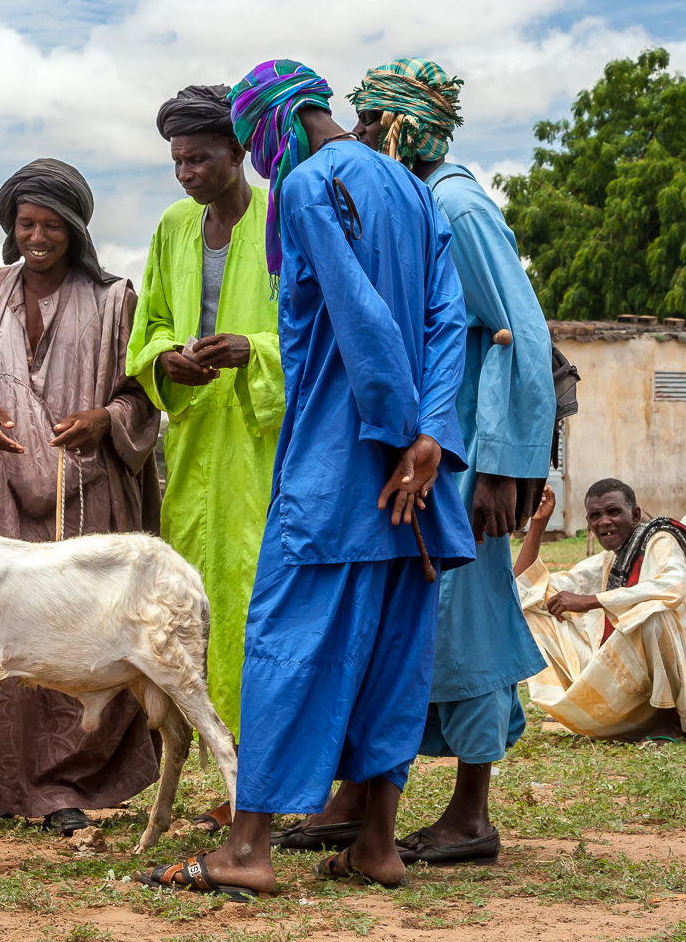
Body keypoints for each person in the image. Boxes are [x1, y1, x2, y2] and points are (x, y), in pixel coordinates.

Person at [142, 59, 471, 898]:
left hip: (340, 470)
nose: (256, 162)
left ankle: (247, 851)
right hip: (416, 485)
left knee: (284, 649)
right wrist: (432, 438)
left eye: (253, 141)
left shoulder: (311, 186)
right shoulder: (407, 186)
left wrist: (397, 435)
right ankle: (377, 845)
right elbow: (444, 317)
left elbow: (360, 319)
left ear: (275, 124)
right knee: (390, 658)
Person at [275, 58, 550, 866]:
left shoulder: (456, 205)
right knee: (398, 628)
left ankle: (472, 810)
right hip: (416, 460)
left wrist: (502, 465)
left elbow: (517, 334)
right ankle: (360, 800)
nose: (359, 135)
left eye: (371, 121)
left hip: (459, 462)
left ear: (401, 125)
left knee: (468, 628)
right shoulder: (402, 201)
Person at [0, 159, 162, 836]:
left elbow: (142, 392)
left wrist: (104, 420)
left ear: (75, 229)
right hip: (2, 498)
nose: (38, 235)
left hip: (86, 496)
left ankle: (66, 782)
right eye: (26, 223)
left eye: (52, 224)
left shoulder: (116, 298)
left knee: (72, 635)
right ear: (10, 227)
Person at [127, 85, 283, 812]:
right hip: (194, 445)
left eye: (199, 158)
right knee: (197, 604)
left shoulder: (284, 219)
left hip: (265, 443)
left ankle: (269, 775)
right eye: (177, 161)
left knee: (260, 599)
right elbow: (151, 323)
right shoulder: (172, 229)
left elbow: (314, 331)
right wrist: (166, 362)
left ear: (238, 151)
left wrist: (250, 349)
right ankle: (230, 771)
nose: (187, 173)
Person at [516, 479, 686, 741]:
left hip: (684, 683)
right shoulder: (610, 560)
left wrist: (592, 600)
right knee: (531, 612)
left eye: (613, 512)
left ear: (634, 515)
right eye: (595, 516)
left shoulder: (661, 539)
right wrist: (538, 523)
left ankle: (668, 720)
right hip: (629, 688)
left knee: (653, 614)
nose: (604, 521)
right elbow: (527, 588)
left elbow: (671, 588)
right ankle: (594, 711)